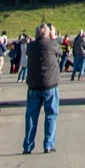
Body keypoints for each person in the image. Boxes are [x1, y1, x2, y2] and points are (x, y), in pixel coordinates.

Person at [23, 25, 61, 154]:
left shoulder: (31, 47)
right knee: (51, 114)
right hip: (50, 84)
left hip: (34, 84)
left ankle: (28, 145)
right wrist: (54, 37)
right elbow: (60, 51)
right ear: (48, 34)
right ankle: (48, 144)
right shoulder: (52, 44)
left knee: (31, 116)